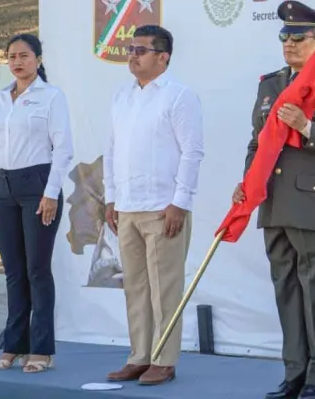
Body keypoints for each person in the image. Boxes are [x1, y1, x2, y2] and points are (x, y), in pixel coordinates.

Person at [233, 0, 315, 399]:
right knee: (286, 292)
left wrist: (306, 126)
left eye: (298, 37)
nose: (288, 43)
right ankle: (294, 375)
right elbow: (258, 142)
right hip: (272, 203)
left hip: (313, 206)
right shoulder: (270, 84)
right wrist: (247, 182)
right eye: (284, 36)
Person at [103, 25, 205, 386]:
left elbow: (192, 152)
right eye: (131, 49)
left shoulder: (179, 96)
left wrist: (180, 202)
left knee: (165, 289)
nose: (132, 56)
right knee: (135, 288)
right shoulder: (122, 96)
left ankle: (164, 359)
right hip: (127, 206)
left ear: (163, 57)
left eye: (141, 50)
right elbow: (112, 150)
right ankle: (139, 356)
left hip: (164, 207)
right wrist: (111, 198)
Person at [0, 33, 74, 374]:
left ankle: (41, 350)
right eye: (12, 56)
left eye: (24, 55)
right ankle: (13, 345)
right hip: (3, 188)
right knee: (13, 272)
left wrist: (50, 193)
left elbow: (63, 149)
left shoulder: (51, 97)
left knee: (37, 270)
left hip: (38, 186)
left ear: (38, 59)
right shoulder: (1, 98)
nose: (17, 62)